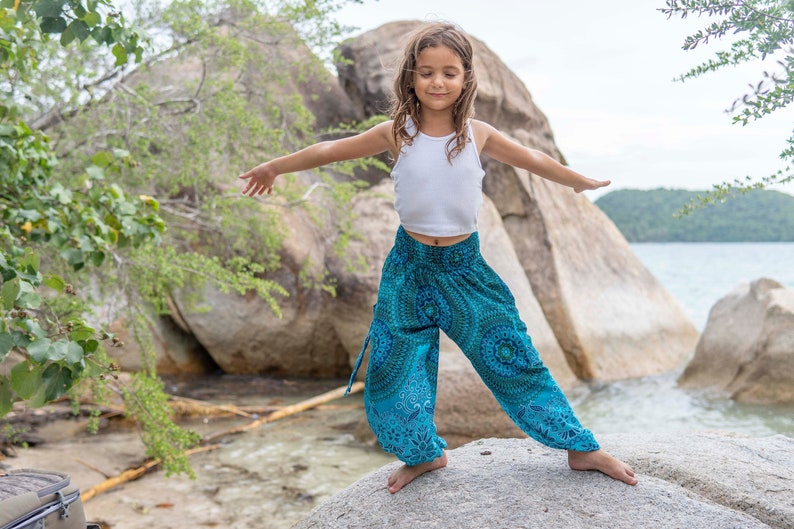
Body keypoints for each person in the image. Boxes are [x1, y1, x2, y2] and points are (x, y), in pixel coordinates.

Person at [239, 22, 638, 493]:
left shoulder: (478, 134)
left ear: (466, 77)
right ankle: (424, 455)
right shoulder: (396, 133)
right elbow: (330, 150)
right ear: (411, 77)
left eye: (449, 72)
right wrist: (275, 166)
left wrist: (575, 179)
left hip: (464, 270)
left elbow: (531, 157)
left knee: (513, 358)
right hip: (408, 268)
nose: (437, 82)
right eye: (426, 72)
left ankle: (580, 448)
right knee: (394, 371)